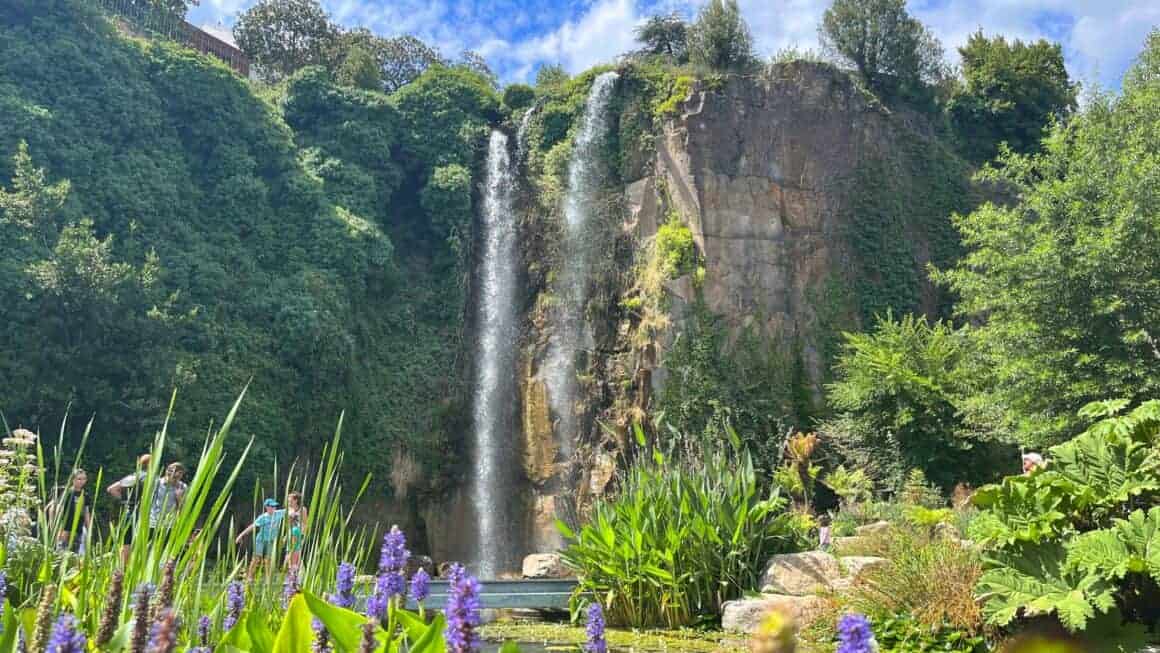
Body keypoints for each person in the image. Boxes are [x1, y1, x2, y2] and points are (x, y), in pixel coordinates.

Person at [107, 453, 151, 564]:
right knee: (140, 544)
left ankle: (122, 569)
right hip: (144, 515)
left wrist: (126, 501)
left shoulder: (133, 477)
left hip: (130, 512)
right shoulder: (152, 479)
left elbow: (112, 489)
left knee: (126, 543)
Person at [236, 498, 285, 580]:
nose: (273, 508)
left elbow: (290, 511)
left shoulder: (279, 513)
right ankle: (250, 577)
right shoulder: (263, 517)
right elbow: (252, 526)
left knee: (268, 559)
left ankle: (268, 579)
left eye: (275, 506)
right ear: (266, 507)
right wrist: (241, 535)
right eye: (271, 506)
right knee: (256, 558)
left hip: (271, 540)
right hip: (261, 540)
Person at [51, 468, 92, 553]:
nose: (81, 481)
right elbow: (56, 509)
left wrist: (89, 529)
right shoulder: (67, 493)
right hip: (65, 527)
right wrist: (55, 528)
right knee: (61, 550)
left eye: (84, 479)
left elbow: (86, 513)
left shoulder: (85, 495)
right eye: (79, 479)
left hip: (78, 528)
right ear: (73, 479)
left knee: (75, 552)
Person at [149, 462, 188, 537]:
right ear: (167, 472)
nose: (176, 479)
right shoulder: (156, 483)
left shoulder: (183, 487)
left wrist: (179, 498)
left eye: (180, 475)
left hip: (170, 525)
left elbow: (183, 509)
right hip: (153, 523)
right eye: (174, 475)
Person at [285, 491, 307, 574]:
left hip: (298, 534)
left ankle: (295, 575)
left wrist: (302, 536)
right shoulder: (289, 510)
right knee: (289, 554)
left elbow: (305, 524)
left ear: (296, 500)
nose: (289, 502)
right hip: (292, 533)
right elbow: (289, 524)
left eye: (290, 501)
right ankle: (292, 574)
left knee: (294, 554)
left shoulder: (303, 509)